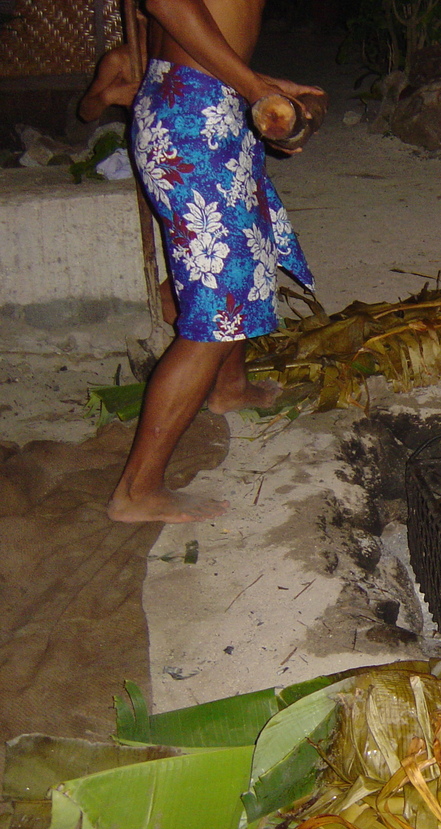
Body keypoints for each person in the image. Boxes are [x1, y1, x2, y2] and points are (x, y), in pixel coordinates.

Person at [107, 0, 324, 523]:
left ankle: (229, 387)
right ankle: (136, 492)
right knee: (218, 307)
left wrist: (255, 82)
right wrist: (253, 88)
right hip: (192, 115)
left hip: (209, 99)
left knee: (246, 258)